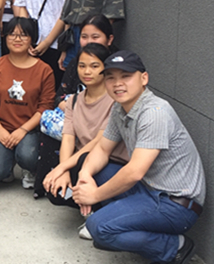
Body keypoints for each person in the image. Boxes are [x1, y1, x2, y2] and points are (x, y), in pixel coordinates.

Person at [73, 51, 206, 264]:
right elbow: (102, 149)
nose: (118, 84)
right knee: (92, 166)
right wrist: (85, 176)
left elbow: (134, 172)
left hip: (176, 205)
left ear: (144, 78)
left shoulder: (155, 113)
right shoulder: (120, 108)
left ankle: (174, 247)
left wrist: (94, 195)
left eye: (126, 76)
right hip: (148, 188)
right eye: (111, 77)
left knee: (99, 228)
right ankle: (118, 220)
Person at [42, 44, 129, 213]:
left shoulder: (115, 101)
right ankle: (90, 208)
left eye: (94, 66)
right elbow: (68, 138)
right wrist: (64, 172)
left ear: (105, 69)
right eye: (82, 66)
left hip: (111, 164)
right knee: (56, 190)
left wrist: (62, 167)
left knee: (83, 163)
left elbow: (99, 142)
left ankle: (102, 212)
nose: (87, 71)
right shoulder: (73, 101)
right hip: (81, 162)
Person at [0, 17, 55, 189]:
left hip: (30, 130)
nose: (17, 39)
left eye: (23, 35)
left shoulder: (44, 70)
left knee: (28, 156)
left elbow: (46, 106)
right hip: (1, 127)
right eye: (12, 34)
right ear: (5, 37)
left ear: (32, 39)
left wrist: (23, 130)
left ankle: (28, 168)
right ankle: (8, 164)